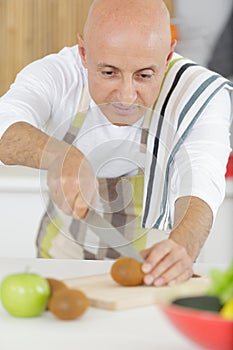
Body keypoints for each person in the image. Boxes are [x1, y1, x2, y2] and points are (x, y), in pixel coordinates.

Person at [0, 0, 232, 287]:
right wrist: (60, 156)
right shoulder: (59, 74)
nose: (126, 97)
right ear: (84, 53)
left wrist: (183, 246)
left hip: (155, 271)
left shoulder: (200, 94)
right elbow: (5, 125)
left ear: (168, 55)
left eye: (144, 75)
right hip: (60, 264)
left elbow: (202, 176)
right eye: (108, 73)